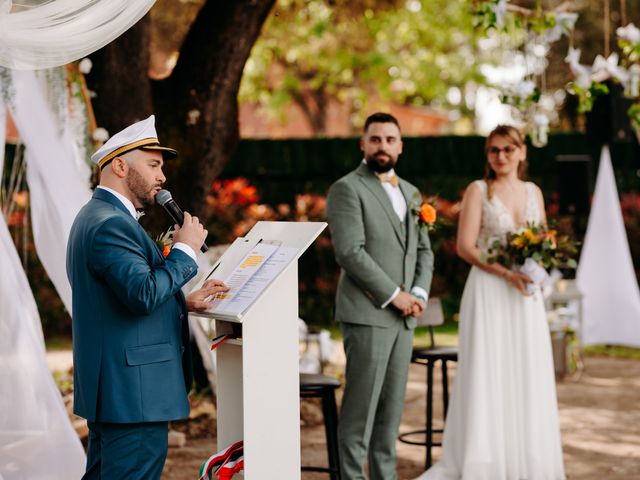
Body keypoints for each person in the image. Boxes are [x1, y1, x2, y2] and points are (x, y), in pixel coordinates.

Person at [66, 115, 228, 479]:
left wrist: (180, 302)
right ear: (120, 165)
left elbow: (117, 298)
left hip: (118, 390)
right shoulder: (112, 224)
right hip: (132, 393)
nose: (162, 176)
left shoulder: (97, 216)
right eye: (153, 164)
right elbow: (141, 294)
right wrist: (185, 251)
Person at [416, 125, 565, 479]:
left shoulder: (533, 192)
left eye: (508, 150)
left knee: (526, 369)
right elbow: (467, 247)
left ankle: (526, 460)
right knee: (488, 371)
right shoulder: (478, 190)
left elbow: (544, 240)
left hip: (523, 293)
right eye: (494, 151)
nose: (501, 157)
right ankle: (486, 462)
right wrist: (504, 273)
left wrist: (537, 266)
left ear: (522, 153)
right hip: (489, 289)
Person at [326, 112, 434, 479]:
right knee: (359, 419)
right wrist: (395, 295)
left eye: (390, 139)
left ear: (400, 146)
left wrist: (417, 293)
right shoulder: (347, 188)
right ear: (363, 144)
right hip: (368, 315)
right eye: (375, 139)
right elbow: (350, 252)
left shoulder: (412, 192)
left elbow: (424, 251)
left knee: (390, 420)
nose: (382, 146)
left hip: (405, 320)